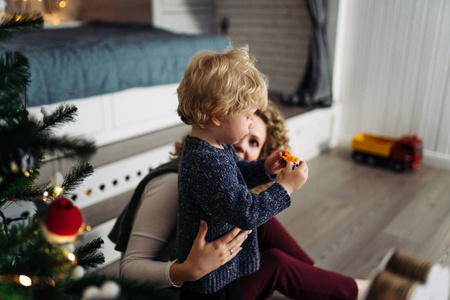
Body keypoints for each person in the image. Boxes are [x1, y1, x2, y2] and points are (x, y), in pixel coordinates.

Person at [109, 99, 369, 299]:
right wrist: (186, 270)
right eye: (244, 128)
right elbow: (128, 269)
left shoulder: (225, 174)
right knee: (276, 262)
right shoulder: (171, 184)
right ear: (218, 124)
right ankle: (355, 290)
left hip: (210, 275)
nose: (244, 146)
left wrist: (266, 170)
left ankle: (316, 281)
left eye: (255, 142)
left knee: (262, 223)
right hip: (179, 290)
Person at [172, 45, 308, 298]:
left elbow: (232, 178)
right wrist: (286, 187)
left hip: (221, 269)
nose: (250, 122)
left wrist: (264, 167)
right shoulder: (204, 160)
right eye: (247, 115)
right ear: (218, 115)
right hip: (208, 280)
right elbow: (245, 212)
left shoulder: (212, 148)